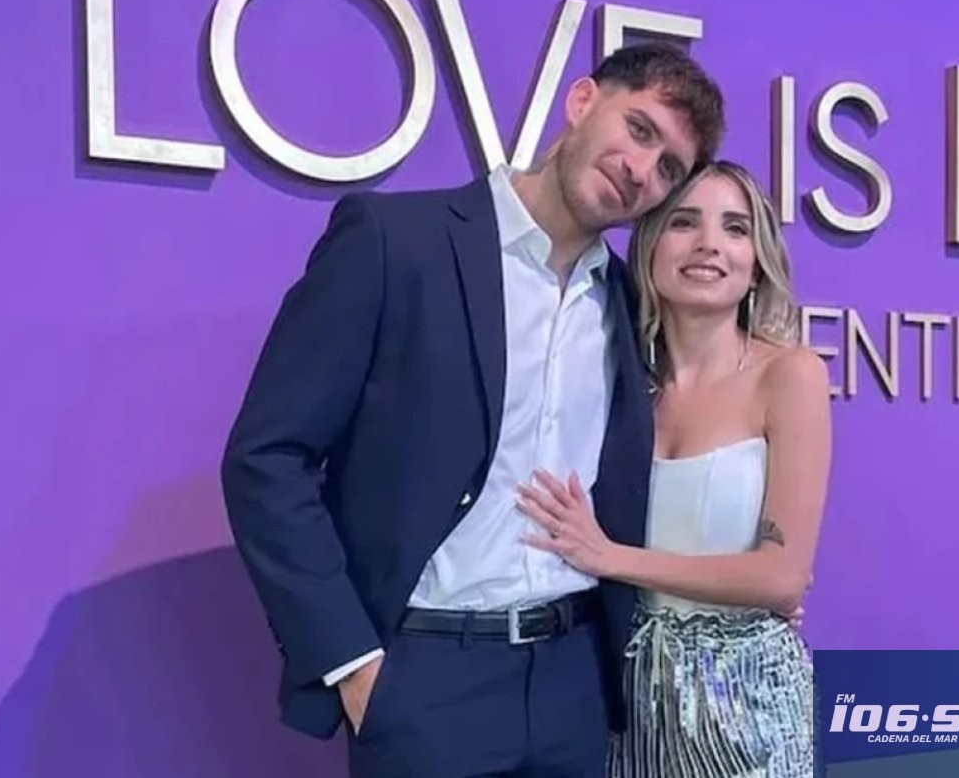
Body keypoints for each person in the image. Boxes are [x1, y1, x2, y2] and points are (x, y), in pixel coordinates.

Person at [220, 41, 725, 778]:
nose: (641, 169)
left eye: (669, 167)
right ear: (582, 101)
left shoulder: (629, 301)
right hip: (425, 680)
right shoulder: (396, 242)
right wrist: (351, 661)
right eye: (639, 129)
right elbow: (268, 458)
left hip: (575, 685)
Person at [514, 160, 831, 777]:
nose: (710, 244)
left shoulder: (791, 375)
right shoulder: (613, 381)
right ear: (650, 248)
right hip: (626, 694)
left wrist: (611, 558)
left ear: (757, 262)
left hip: (745, 698)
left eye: (735, 228)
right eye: (685, 222)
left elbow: (781, 578)